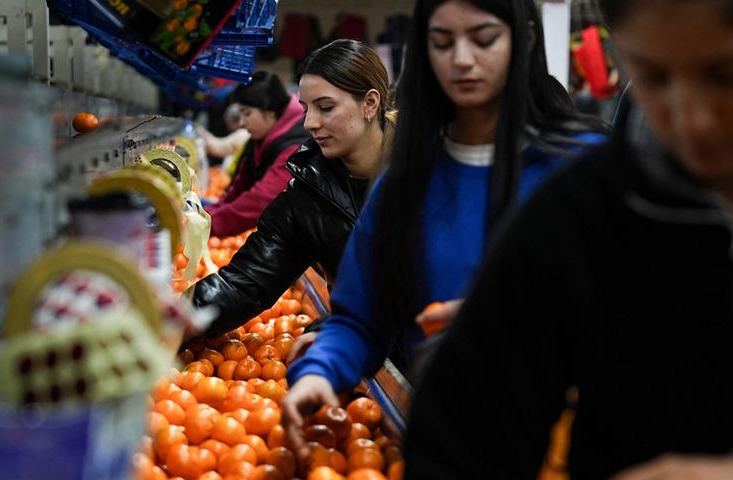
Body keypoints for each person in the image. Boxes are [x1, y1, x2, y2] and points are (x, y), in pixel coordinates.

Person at [405, 0, 733, 478]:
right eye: (654, 78)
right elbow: (458, 438)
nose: (691, 119)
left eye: (727, 75)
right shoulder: (578, 219)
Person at [281, 0, 608, 459]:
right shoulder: (407, 180)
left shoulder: (584, 167)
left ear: (525, 39)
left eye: (484, 38)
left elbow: (649, 313)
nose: (461, 60)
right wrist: (320, 370)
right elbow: (359, 318)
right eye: (441, 42)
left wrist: (516, 316)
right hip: (449, 446)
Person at [190, 39, 396, 339]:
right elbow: (246, 282)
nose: (310, 123)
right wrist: (170, 317)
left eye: (325, 108)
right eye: (305, 108)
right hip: (362, 356)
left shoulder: (429, 167)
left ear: (370, 103)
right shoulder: (308, 191)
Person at [204, 71, 308, 237]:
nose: (242, 123)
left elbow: (262, 198)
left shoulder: (295, 145)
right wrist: (207, 214)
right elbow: (242, 185)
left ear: (270, 112)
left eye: (247, 114)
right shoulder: (263, 137)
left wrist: (210, 224)